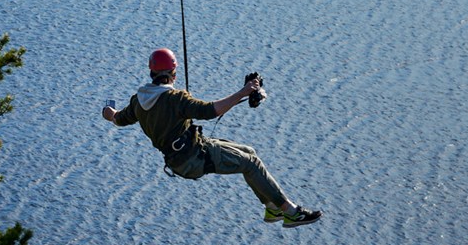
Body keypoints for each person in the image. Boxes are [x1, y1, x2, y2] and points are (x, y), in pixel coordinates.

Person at [102, 48, 321, 227]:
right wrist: (243, 92)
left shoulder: (138, 101)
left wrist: (108, 112)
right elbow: (210, 111)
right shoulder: (175, 98)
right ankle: (291, 212)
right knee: (251, 163)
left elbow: (118, 119)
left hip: (181, 157)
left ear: (151, 73)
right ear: (173, 73)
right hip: (194, 158)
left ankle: (272, 208)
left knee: (249, 152)